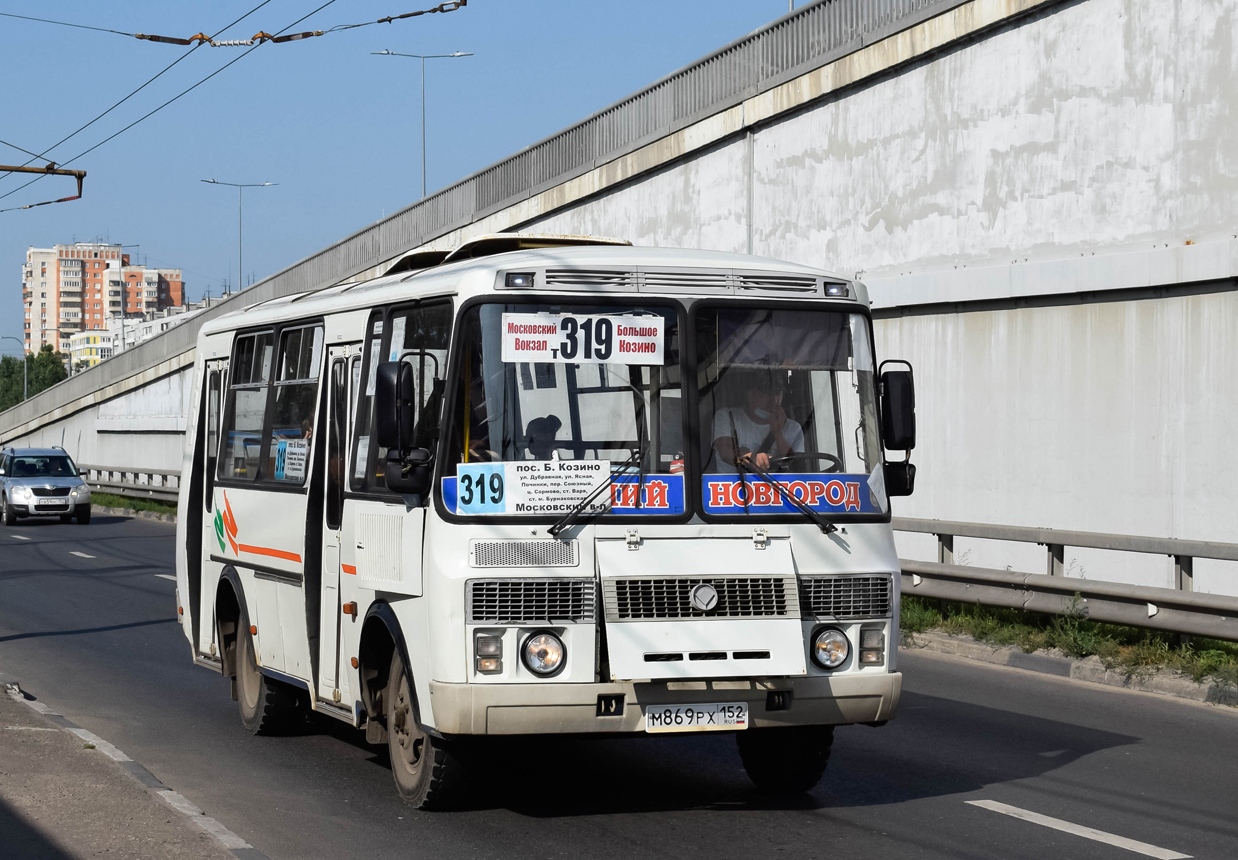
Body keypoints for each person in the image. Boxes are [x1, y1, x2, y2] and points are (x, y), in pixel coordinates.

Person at [711, 368, 804, 473]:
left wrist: (778, 434)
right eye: (768, 394)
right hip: (733, 487)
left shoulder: (793, 428)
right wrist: (747, 457)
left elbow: (796, 467)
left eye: (778, 393)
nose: (774, 401)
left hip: (778, 488)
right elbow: (725, 452)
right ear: (751, 395)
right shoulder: (728, 417)